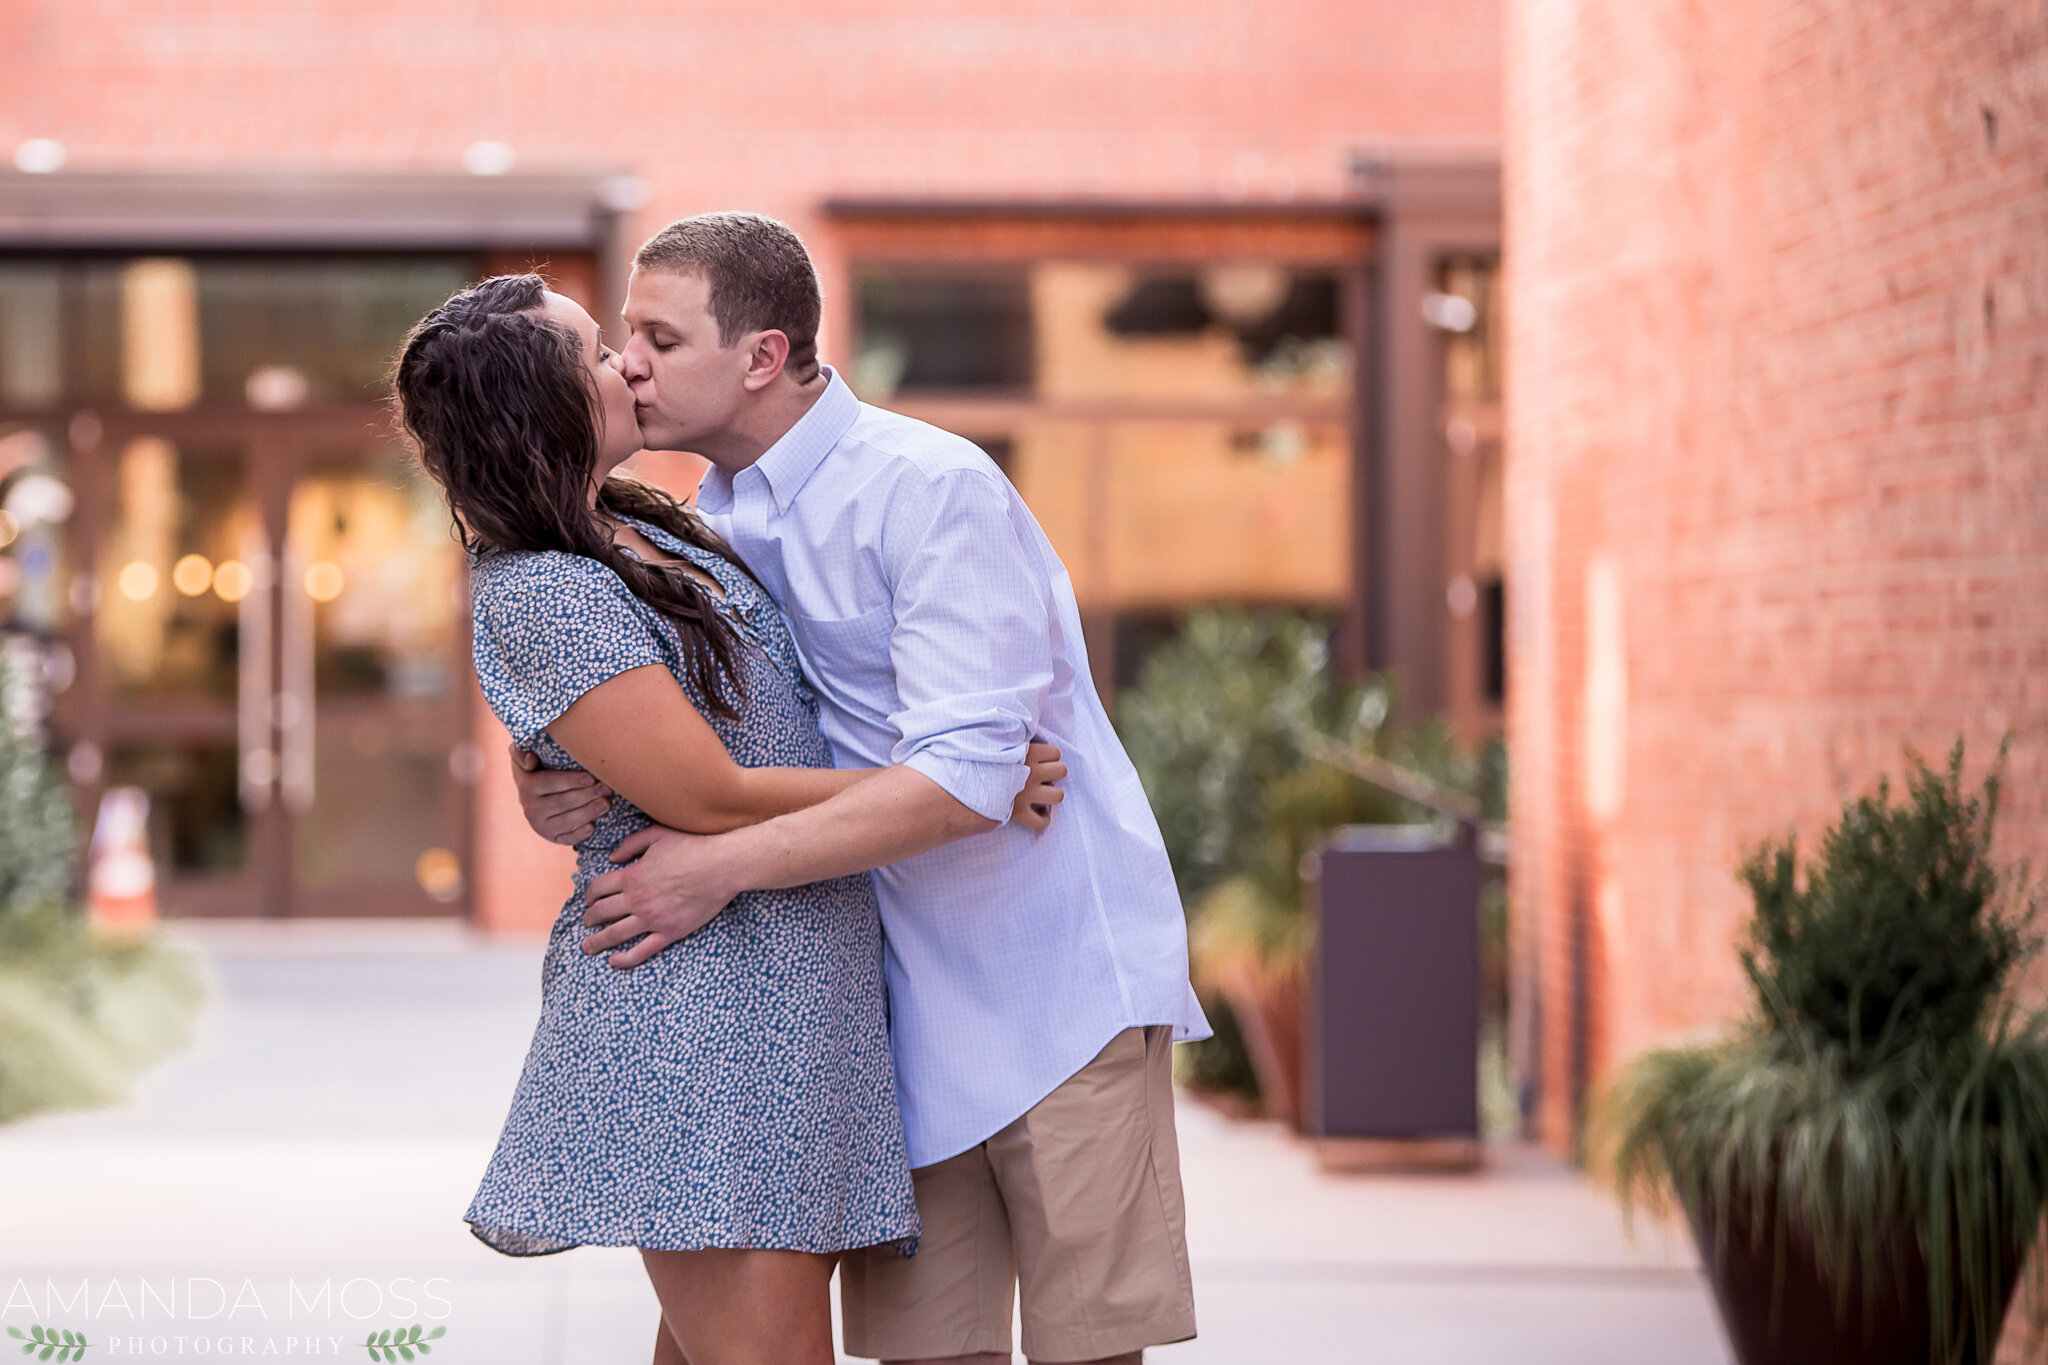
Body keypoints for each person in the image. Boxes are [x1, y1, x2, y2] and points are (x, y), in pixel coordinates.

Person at [514, 213, 1209, 1365]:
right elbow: (636, 689)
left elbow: (972, 774)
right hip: (894, 1010)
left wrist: (719, 865)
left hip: (1054, 981)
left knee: (1088, 1351)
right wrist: (546, 764)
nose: (629, 361)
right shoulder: (702, 523)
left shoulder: (927, 488)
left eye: (658, 336)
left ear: (763, 356)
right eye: (622, 337)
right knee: (930, 1352)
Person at [392, 273, 1061, 1365]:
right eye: (597, 357)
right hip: (698, 1012)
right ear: (541, 406)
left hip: (789, 991)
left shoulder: (643, 524)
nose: (628, 364)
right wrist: (955, 781)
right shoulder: (541, 587)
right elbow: (706, 793)